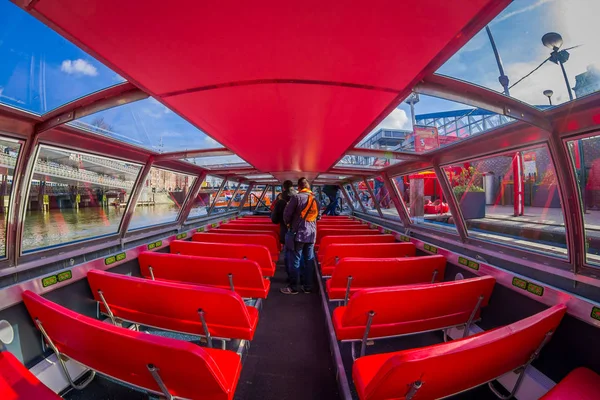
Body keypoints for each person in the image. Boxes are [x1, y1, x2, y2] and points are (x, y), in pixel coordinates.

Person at [281, 177, 319, 295]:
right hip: (311, 234)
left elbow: (287, 215)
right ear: (308, 187)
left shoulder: (296, 197)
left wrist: (289, 224)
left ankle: (293, 287)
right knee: (309, 260)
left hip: (298, 234)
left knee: (295, 260)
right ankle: (307, 287)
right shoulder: (315, 199)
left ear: (298, 187)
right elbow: (319, 216)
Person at [271, 180, 295, 280]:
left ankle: (291, 278)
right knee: (299, 254)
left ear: (283, 188)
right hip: (301, 231)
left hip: (285, 231)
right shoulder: (299, 198)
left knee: (288, 253)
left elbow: (274, 220)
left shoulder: (280, 201)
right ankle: (303, 279)